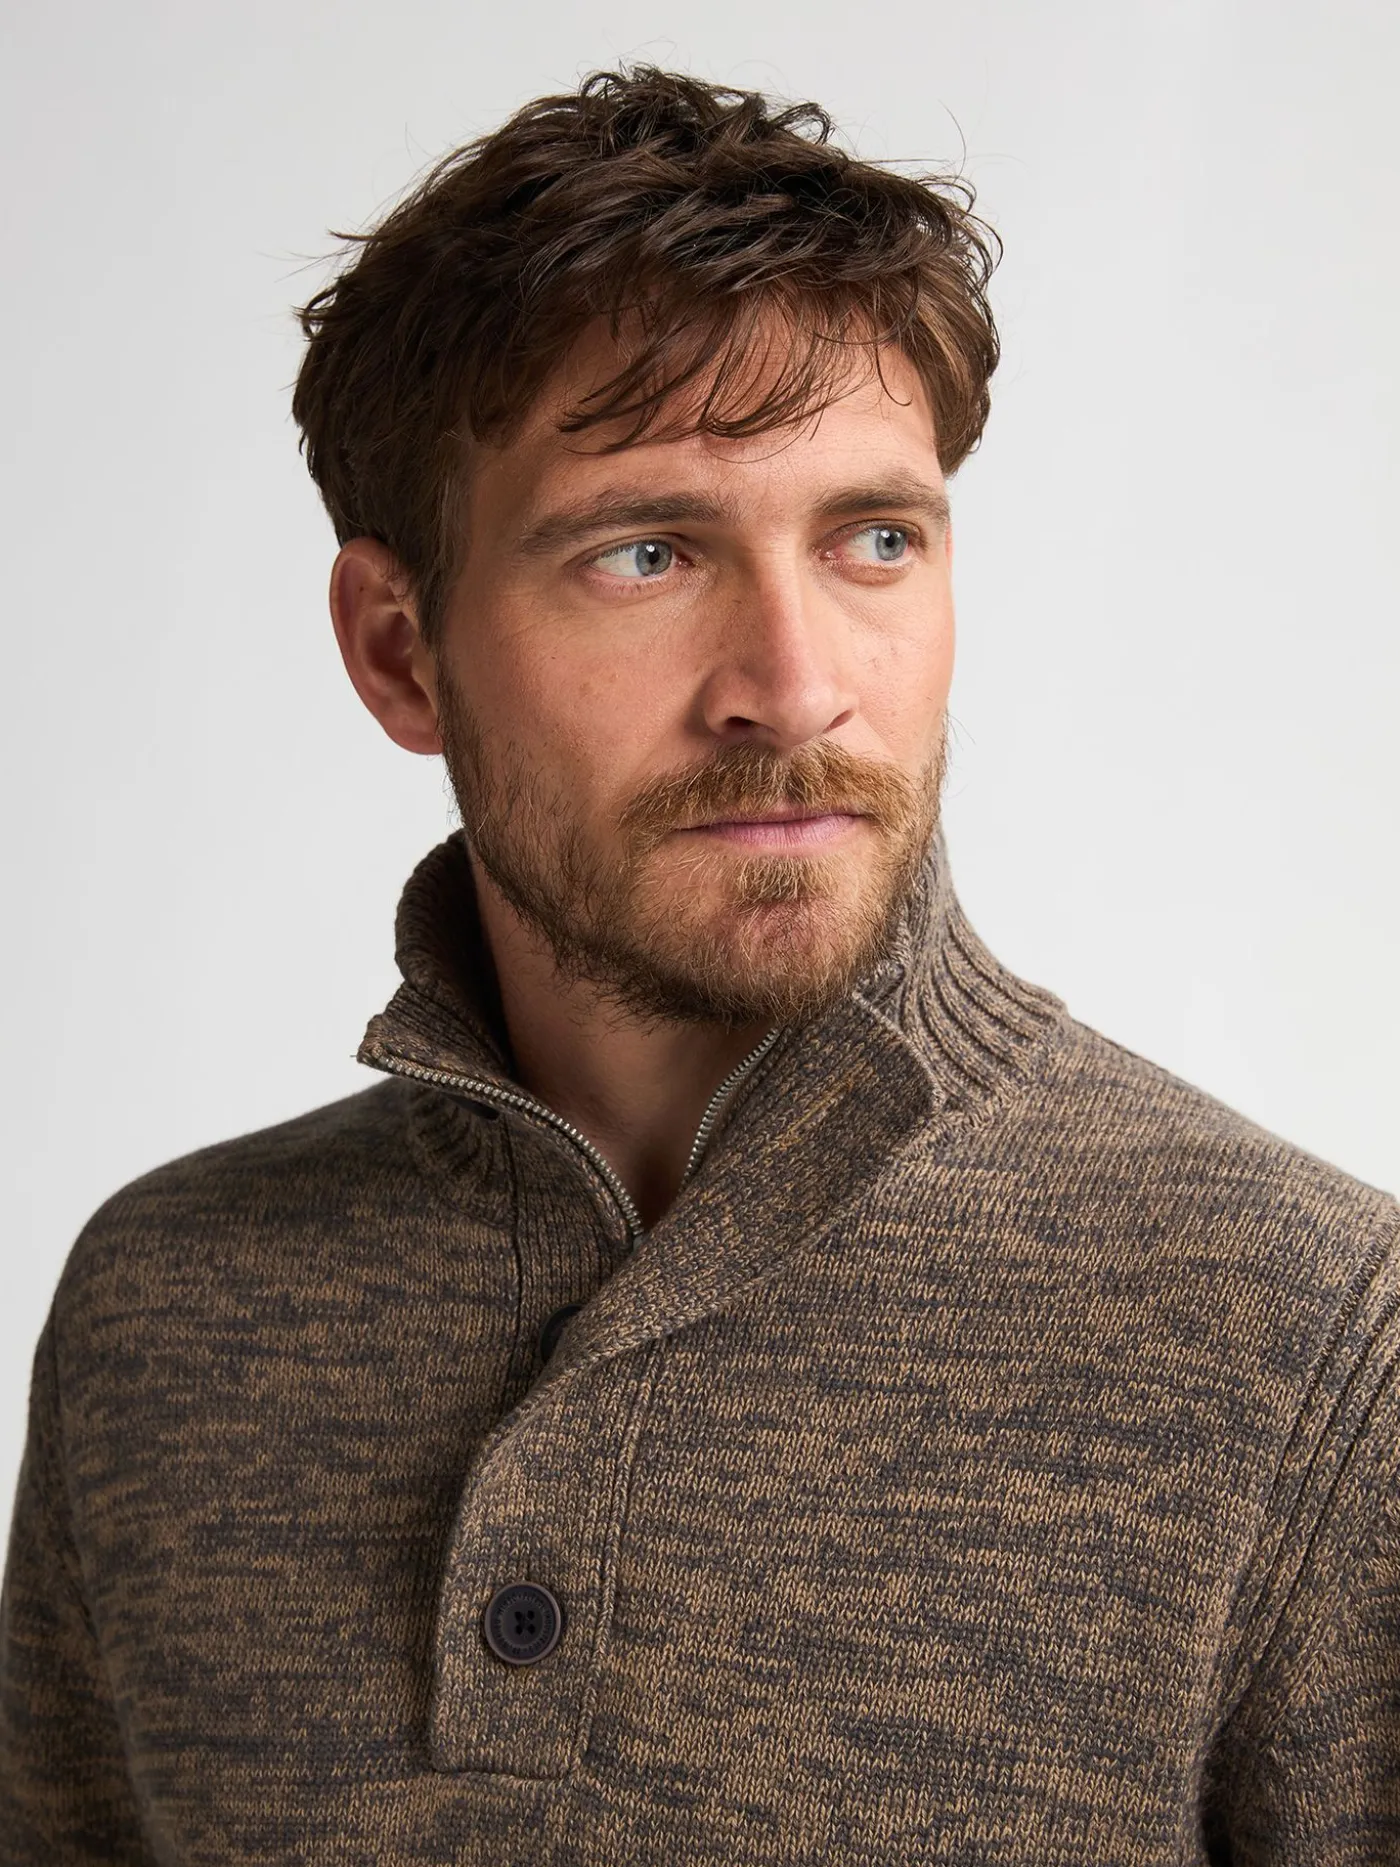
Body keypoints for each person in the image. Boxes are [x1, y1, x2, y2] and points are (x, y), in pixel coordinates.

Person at [2, 63, 1396, 1866]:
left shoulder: (1311, 1337)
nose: (795, 686)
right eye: (648, 553)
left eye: (874, 539)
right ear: (401, 651)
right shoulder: (162, 1318)